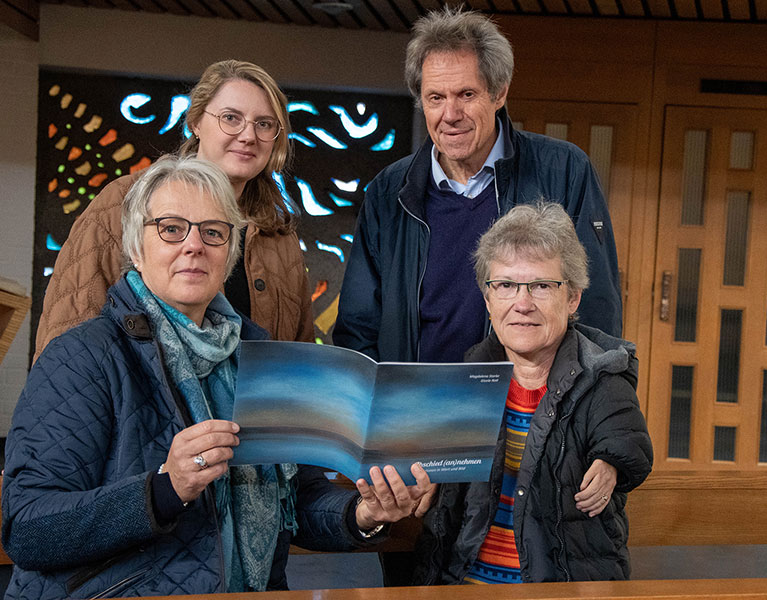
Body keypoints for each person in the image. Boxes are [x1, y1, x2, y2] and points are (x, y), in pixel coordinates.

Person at [2, 156, 435, 598]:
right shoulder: (84, 356)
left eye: (212, 232)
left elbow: (301, 500)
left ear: (228, 252)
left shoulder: (264, 359)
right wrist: (164, 488)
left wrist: (362, 513)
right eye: (171, 228)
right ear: (136, 247)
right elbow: (27, 528)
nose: (194, 245)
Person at [333, 7, 623, 366]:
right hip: (413, 409)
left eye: (466, 94)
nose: (450, 114)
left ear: (499, 93)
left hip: (527, 410)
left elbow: (596, 312)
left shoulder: (564, 170)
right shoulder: (388, 192)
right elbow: (357, 327)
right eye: (435, 98)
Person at [412, 203, 652, 585]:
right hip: (466, 585)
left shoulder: (601, 375)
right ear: (488, 300)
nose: (522, 304)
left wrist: (611, 464)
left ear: (572, 298)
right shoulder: (470, 376)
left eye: (541, 285)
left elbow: (628, 442)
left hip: (561, 587)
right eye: (505, 285)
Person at [35, 59, 312, 361]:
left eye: (264, 124)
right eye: (231, 118)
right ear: (195, 123)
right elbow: (66, 338)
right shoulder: (125, 202)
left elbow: (300, 359)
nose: (248, 135)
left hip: (250, 409)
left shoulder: (279, 235)